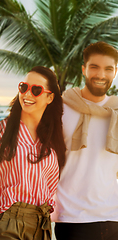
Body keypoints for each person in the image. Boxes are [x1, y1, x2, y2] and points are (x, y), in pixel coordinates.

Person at [0, 66, 66, 240]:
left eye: (36, 90)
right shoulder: (1, 131)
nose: (28, 94)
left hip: (42, 223)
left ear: (50, 97)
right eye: (24, 87)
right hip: (8, 218)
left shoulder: (52, 140)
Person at [53, 41, 118, 240]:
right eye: (94, 67)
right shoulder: (60, 108)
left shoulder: (116, 110)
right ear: (84, 69)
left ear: (115, 72)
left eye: (108, 69)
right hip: (72, 218)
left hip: (113, 216)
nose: (101, 75)